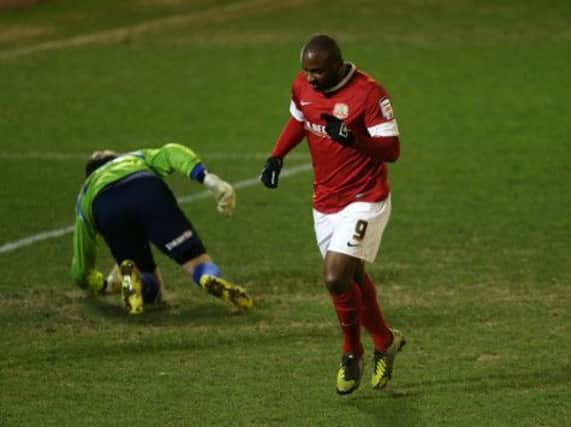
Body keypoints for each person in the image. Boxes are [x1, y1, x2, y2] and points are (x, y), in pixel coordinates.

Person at [260, 34, 405, 395]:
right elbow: (299, 119)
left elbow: (392, 149)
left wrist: (354, 138)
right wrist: (276, 155)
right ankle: (385, 341)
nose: (310, 78)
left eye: (318, 72)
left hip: (365, 198)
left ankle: (351, 351)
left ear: (338, 65)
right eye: (306, 71)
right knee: (353, 277)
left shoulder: (369, 94)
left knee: (334, 276)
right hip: (325, 201)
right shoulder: (302, 85)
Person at [71, 142, 254, 314]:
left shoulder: (84, 196)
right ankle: (206, 277)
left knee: (149, 283)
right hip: (144, 187)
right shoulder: (134, 158)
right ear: (116, 159)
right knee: (195, 260)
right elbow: (172, 152)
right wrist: (206, 178)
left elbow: (81, 269)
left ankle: (137, 280)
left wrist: (101, 284)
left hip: (104, 206)